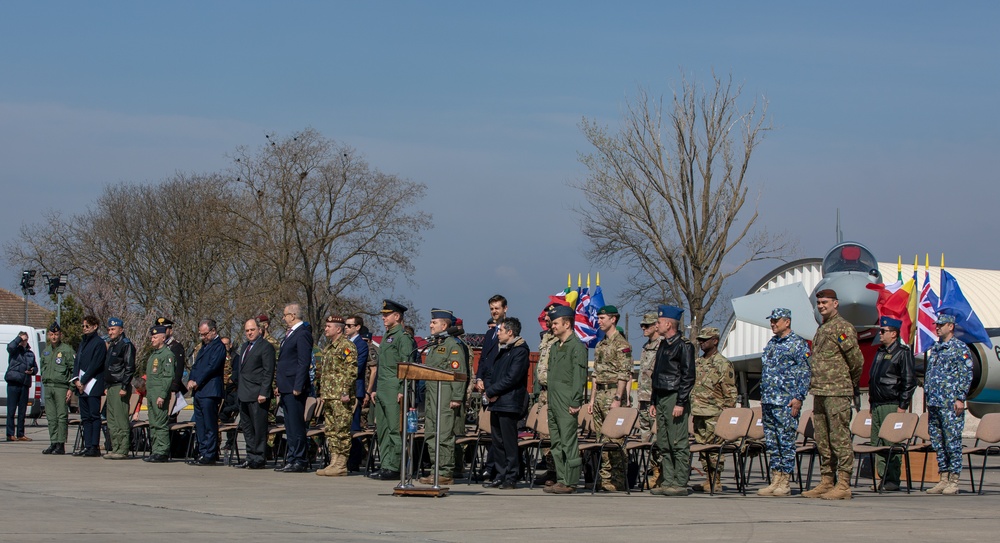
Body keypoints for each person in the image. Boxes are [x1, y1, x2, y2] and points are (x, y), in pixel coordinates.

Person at [803, 289, 864, 500]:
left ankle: (844, 483)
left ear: (835, 304)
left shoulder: (842, 328)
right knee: (823, 438)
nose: (821, 306)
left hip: (837, 391)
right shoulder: (822, 329)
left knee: (839, 437)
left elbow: (856, 361)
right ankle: (827, 480)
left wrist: (848, 382)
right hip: (820, 390)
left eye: (825, 302)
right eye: (819, 302)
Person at [756, 308, 811, 497]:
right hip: (770, 400)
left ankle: (785, 481)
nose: (773, 324)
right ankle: (775, 479)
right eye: (771, 321)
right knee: (772, 441)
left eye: (776, 320)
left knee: (786, 441)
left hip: (786, 401)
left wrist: (798, 397)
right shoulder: (772, 344)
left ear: (787, 322)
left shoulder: (797, 344)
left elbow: (804, 373)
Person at [924, 313, 973, 495]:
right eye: (937, 325)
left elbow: (966, 374)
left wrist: (960, 397)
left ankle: (954, 479)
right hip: (935, 402)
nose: (937, 327)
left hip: (950, 403)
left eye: (941, 325)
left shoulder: (960, 348)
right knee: (938, 441)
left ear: (950, 326)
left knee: (952, 441)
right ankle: (943, 477)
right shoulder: (936, 347)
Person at [418, 309, 469, 485]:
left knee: (444, 434)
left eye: (434, 322)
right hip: (432, 396)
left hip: (446, 396)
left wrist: (456, 397)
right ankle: (435, 469)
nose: (430, 325)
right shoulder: (434, 345)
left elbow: (459, 371)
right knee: (431, 433)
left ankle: (445, 471)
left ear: (444, 325)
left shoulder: (452, 346)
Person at [649, 305, 695, 497]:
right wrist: (653, 401)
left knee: (678, 440)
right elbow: (656, 375)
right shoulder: (663, 345)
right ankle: (668, 480)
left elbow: (688, 375)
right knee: (664, 441)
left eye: (659, 322)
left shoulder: (683, 345)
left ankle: (680, 481)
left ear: (669, 324)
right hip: (661, 396)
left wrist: (681, 402)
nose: (656, 325)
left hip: (674, 396)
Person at [868, 316, 916, 491]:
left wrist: (902, 406)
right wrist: (872, 403)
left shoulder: (902, 353)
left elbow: (909, 381)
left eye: (883, 331)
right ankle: (882, 477)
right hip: (878, 404)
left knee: (892, 443)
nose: (880, 334)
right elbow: (874, 379)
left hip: (892, 403)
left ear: (894, 334)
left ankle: (893, 479)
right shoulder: (880, 352)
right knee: (877, 443)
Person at [543, 305, 587, 494]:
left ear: (567, 324)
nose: (552, 326)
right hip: (553, 400)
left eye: (555, 323)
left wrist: (575, 401)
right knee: (556, 442)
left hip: (567, 400)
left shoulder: (576, 347)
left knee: (568, 442)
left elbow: (579, 376)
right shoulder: (554, 346)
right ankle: (561, 478)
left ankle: (570, 481)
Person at [368, 299, 414, 480]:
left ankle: (395, 467)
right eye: (383, 315)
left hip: (395, 388)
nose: (383, 318)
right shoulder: (387, 337)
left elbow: (407, 367)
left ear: (397, 316)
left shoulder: (403, 338)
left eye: (387, 315)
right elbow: (382, 366)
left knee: (395, 429)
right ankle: (385, 464)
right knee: (383, 429)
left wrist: (403, 389)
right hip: (383, 388)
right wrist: (376, 389)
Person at [482, 317, 530, 490]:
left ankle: (511, 476)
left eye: (500, 330)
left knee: (509, 442)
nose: (498, 333)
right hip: (497, 402)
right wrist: (488, 388)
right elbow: (491, 373)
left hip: (509, 402)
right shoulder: (502, 350)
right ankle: (500, 474)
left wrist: (493, 391)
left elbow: (512, 377)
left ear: (510, 332)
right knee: (497, 441)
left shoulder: (520, 351)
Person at [588, 305, 632, 492]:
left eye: (603, 318)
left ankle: (618, 478)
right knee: (601, 439)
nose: (599, 321)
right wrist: (592, 400)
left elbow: (624, 374)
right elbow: (596, 375)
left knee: (615, 439)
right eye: (599, 318)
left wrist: (617, 398)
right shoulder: (601, 344)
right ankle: (605, 478)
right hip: (600, 396)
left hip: (613, 393)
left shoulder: (621, 345)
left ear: (613, 319)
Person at [689, 326, 738, 492]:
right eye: (700, 340)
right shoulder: (698, 363)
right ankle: (708, 478)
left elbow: (730, 393)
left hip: (715, 414)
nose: (701, 343)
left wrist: (726, 416)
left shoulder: (723, 364)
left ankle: (716, 479)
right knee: (702, 447)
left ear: (715, 341)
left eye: (705, 340)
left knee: (714, 449)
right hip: (698, 412)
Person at [315, 315, 357, 477]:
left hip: (341, 396)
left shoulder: (346, 347)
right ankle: (334, 460)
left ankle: (341, 463)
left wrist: (346, 391)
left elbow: (351, 370)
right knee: (331, 430)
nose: (326, 329)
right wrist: (322, 392)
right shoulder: (329, 348)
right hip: (329, 395)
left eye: (329, 326)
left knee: (342, 429)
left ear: (338, 329)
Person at [232, 317, 276, 470]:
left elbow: (268, 371)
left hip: (258, 394)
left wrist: (264, 392)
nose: (249, 333)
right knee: (247, 428)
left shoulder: (266, 347)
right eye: (247, 331)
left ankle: (259, 457)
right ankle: (250, 456)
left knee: (258, 428)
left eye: (252, 330)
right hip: (244, 393)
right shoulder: (245, 347)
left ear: (260, 330)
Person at [275, 303, 314, 473]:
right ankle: (291, 458)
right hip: (285, 386)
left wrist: (298, 385)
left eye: (285, 315)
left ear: (292, 315)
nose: (283, 318)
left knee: (297, 425)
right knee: (289, 425)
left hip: (294, 387)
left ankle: (300, 459)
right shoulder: (289, 334)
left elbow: (303, 362)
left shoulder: (302, 334)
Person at [186, 319, 226, 466]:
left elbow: (212, 367)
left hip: (210, 390)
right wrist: (191, 379)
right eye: (201, 335)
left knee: (210, 424)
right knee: (201, 424)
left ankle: (210, 453)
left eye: (205, 334)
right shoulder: (203, 347)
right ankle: (202, 452)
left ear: (213, 331)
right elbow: (196, 366)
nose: (203, 337)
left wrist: (198, 381)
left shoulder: (218, 346)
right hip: (199, 391)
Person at [531, 304, 561, 486]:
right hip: (544, 392)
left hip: (555, 392)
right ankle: (550, 470)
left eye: (550, 316)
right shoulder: (546, 338)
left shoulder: (559, 339)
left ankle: (559, 471)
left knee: (555, 434)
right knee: (544, 435)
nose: (547, 319)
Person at [71, 315, 107, 457]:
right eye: (83, 326)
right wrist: (76, 380)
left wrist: (84, 380)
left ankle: (94, 446)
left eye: (87, 326)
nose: (84, 328)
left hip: (92, 384)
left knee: (94, 416)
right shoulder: (83, 343)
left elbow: (95, 364)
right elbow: (77, 362)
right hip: (81, 385)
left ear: (95, 326)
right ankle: (87, 445)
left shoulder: (98, 343)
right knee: (85, 417)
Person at [103, 317, 136, 460]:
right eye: (109, 329)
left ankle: (122, 449)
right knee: (111, 420)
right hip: (111, 386)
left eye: (113, 329)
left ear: (121, 330)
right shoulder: (112, 345)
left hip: (119, 386)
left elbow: (129, 368)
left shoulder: (125, 345)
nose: (110, 332)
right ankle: (114, 447)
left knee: (120, 419)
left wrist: (124, 386)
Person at [636, 312, 662, 488]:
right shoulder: (646, 346)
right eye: (642, 326)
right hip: (643, 398)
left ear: (657, 325)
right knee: (645, 437)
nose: (644, 328)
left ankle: (659, 472)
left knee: (657, 438)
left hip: (654, 399)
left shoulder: (662, 346)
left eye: (647, 325)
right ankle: (652, 470)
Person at [40, 323, 74, 454]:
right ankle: (53, 442)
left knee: (61, 416)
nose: (54, 337)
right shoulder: (46, 351)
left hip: (61, 387)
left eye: (56, 334)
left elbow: (73, 370)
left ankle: (60, 444)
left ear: (60, 335)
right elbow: (43, 366)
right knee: (51, 417)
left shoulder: (67, 350)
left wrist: (71, 388)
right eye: (52, 334)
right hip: (48, 386)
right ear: (49, 335)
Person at [143, 326, 175, 463]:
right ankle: (155, 449)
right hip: (151, 393)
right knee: (153, 423)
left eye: (155, 337)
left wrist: (162, 394)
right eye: (152, 337)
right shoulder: (154, 355)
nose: (152, 339)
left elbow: (168, 377)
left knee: (160, 423)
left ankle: (162, 451)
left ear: (163, 338)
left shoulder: (167, 355)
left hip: (159, 393)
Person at [346, 315, 370, 470]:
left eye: (349, 325)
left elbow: (357, 367)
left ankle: (354, 461)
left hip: (355, 390)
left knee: (354, 428)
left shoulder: (361, 345)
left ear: (357, 327)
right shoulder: (346, 344)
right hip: (344, 389)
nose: (346, 328)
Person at [5, 330, 37, 442]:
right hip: (13, 382)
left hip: (24, 383)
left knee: (22, 411)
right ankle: (10, 434)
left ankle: (20, 434)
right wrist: (18, 338)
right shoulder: (15, 350)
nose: (24, 342)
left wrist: (32, 371)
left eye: (25, 340)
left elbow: (36, 368)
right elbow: (9, 347)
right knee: (11, 410)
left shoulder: (30, 353)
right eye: (22, 340)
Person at [155, 317, 187, 423]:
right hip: (159, 387)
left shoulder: (175, 347)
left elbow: (178, 370)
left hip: (170, 388)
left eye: (164, 329)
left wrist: (174, 388)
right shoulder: (158, 347)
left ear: (170, 330)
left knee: (170, 420)